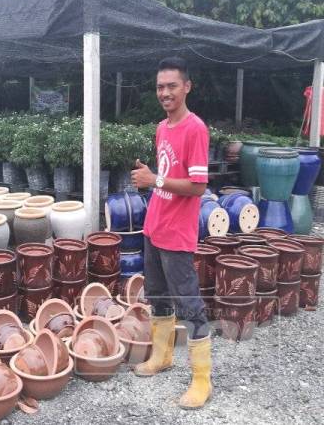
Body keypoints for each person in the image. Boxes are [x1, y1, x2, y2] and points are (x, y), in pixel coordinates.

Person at [131, 57, 211, 409]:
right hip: (155, 227)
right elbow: (165, 176)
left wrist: (154, 180)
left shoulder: (196, 129)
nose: (165, 92)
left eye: (172, 86)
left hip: (178, 235)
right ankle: (162, 357)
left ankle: (201, 380)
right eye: (160, 87)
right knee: (158, 297)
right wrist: (151, 179)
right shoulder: (163, 128)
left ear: (187, 87)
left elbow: (197, 186)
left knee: (190, 305)